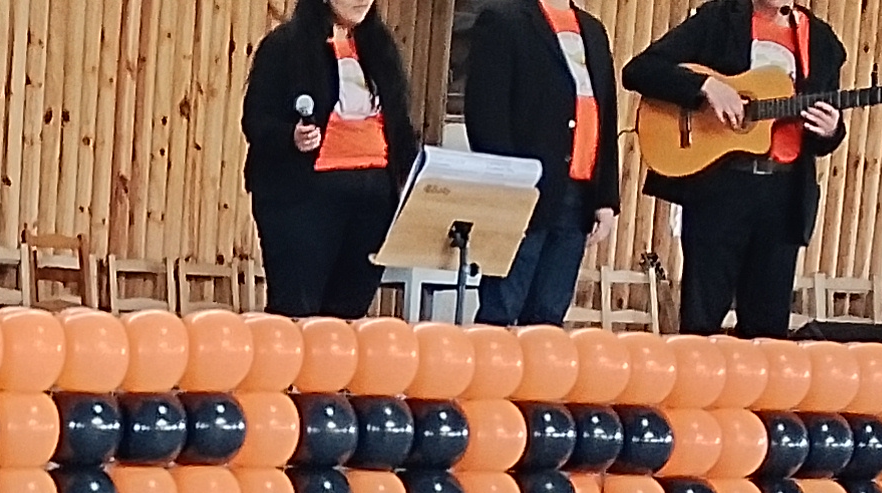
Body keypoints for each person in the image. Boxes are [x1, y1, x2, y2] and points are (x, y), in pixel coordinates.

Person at [623, 0, 846, 337]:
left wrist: (831, 130)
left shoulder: (821, 41)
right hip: (721, 188)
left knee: (768, 328)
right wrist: (705, 86)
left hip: (783, 195)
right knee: (702, 320)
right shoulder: (720, 20)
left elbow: (821, 139)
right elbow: (640, 70)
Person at [243, 0, 421, 318]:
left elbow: (400, 125)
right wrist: (291, 136)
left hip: (375, 199)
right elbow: (256, 119)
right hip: (304, 198)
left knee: (349, 312)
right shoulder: (285, 46)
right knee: (297, 309)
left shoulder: (381, 48)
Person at [461, 0, 623, 326]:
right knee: (502, 310)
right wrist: (511, 184)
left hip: (578, 195)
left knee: (549, 316)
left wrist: (606, 198)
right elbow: (485, 112)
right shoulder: (504, 21)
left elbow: (605, 115)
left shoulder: (593, 31)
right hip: (524, 193)